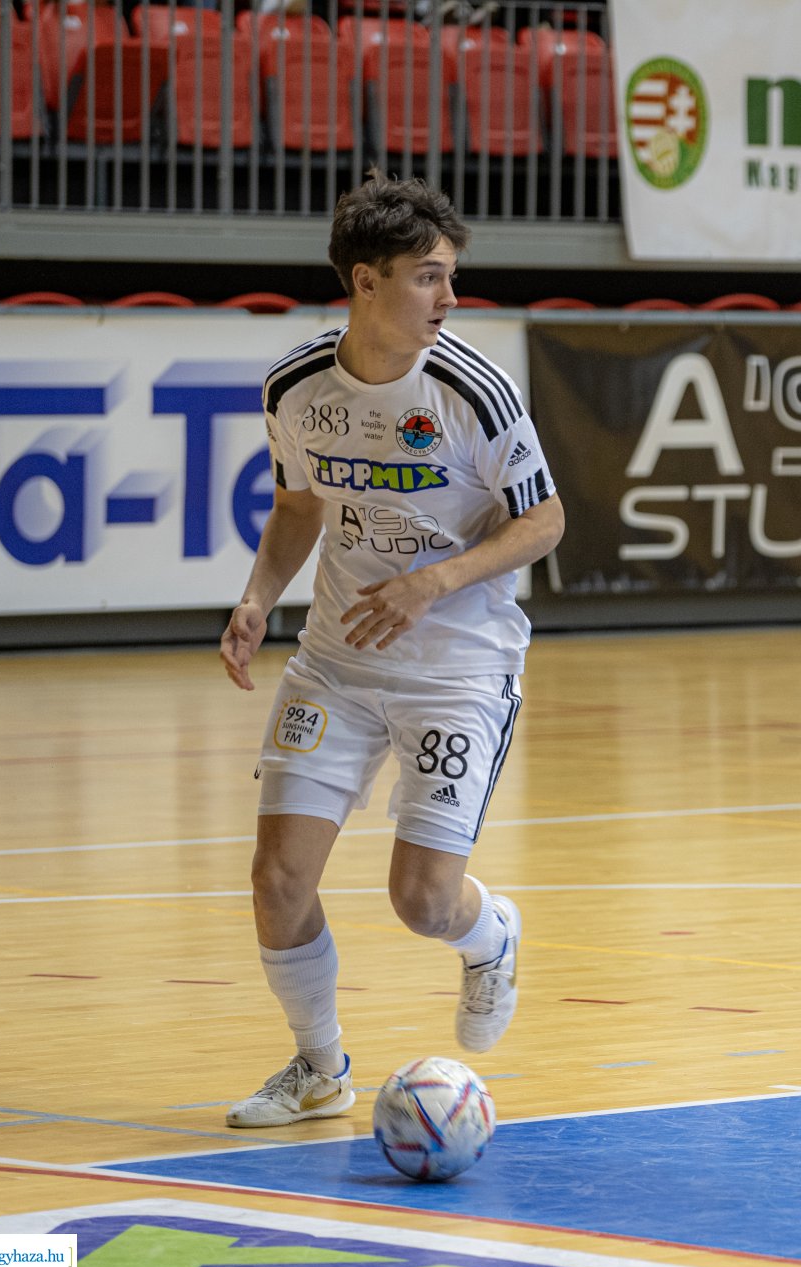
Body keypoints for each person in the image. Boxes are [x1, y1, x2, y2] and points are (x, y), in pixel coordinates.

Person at [218, 173, 565, 1127]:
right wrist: (257, 597)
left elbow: (545, 523)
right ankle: (319, 1067)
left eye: (452, 277)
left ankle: (489, 936)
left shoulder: (473, 389)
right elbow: (298, 506)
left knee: (421, 900)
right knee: (277, 877)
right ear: (365, 283)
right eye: (429, 277)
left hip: (459, 668)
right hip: (334, 658)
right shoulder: (296, 386)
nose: (449, 299)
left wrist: (433, 582)